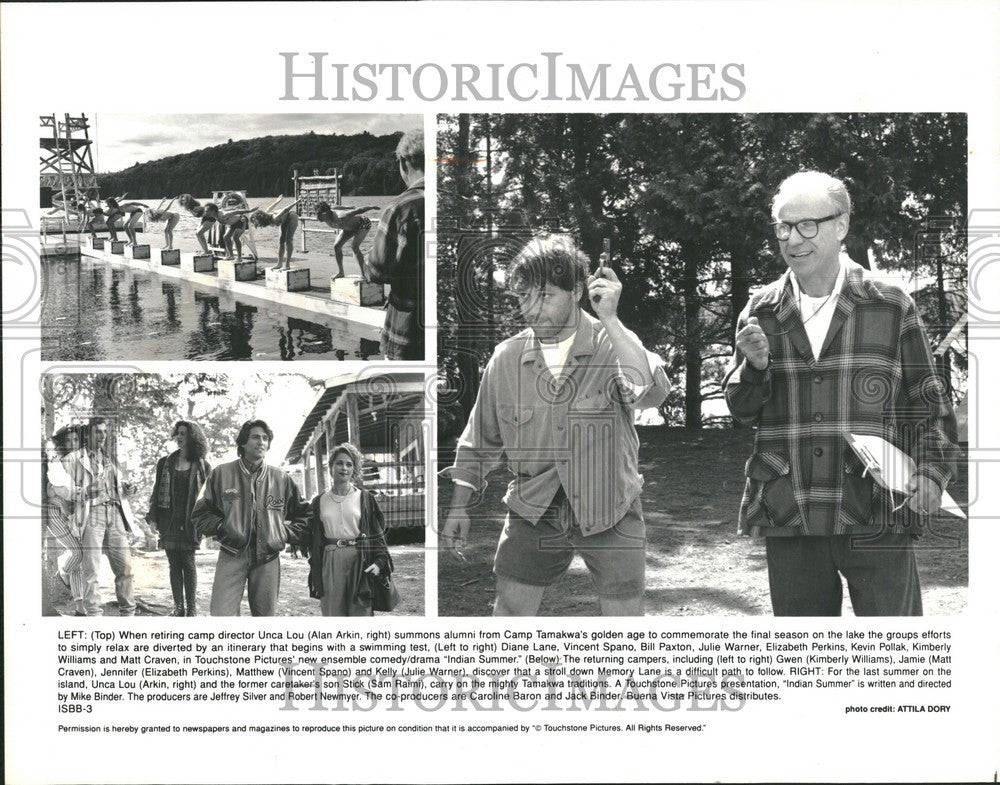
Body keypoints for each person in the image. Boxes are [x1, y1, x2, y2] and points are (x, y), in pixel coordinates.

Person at [724, 171, 958, 617]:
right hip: (789, 508)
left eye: (807, 225)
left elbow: (927, 405)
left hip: (876, 507)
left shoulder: (890, 303)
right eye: (783, 227)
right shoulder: (761, 309)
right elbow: (742, 411)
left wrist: (931, 473)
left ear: (841, 226)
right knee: (806, 664)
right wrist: (754, 368)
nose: (793, 239)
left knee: (896, 661)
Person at [440, 236, 670, 616]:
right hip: (533, 505)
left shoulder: (612, 343)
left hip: (610, 502)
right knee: (510, 613)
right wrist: (459, 508)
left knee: (625, 617)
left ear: (578, 290)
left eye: (544, 296)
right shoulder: (507, 358)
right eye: (523, 297)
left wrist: (610, 318)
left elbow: (650, 388)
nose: (531, 309)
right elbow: (479, 440)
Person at [191, 419, 309, 616]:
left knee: (265, 620)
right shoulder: (221, 474)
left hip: (268, 558)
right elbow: (200, 514)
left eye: (265, 438)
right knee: (221, 615)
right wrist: (222, 527)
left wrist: (284, 533)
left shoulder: (281, 478)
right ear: (243, 443)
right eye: (255, 437)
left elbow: (305, 514)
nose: (261, 442)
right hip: (231, 555)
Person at [304, 443, 391, 616]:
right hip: (330, 560)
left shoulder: (365, 499)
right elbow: (308, 534)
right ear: (331, 467)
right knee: (332, 613)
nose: (344, 468)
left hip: (360, 560)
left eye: (349, 464)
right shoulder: (319, 501)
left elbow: (377, 534)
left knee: (361, 613)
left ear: (354, 470)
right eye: (339, 463)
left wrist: (379, 562)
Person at [65, 417, 138, 616]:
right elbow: (61, 489)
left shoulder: (109, 458)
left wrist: (128, 489)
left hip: (115, 513)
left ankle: (128, 613)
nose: (103, 436)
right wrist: (85, 491)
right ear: (87, 434)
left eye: (105, 432)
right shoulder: (72, 459)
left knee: (125, 567)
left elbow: (119, 488)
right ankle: (94, 614)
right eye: (98, 432)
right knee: (92, 567)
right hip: (93, 513)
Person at [367, 129, 425, 360]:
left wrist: (364, 254)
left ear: (403, 162)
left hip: (407, 334)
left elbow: (377, 271)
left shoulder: (402, 208)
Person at [147, 421, 212, 616]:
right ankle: (178, 608)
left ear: (193, 437)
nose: (180, 437)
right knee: (174, 564)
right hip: (169, 521)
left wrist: (207, 523)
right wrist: (153, 518)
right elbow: (156, 490)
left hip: (190, 521)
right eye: (178, 433)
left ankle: (191, 609)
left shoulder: (203, 466)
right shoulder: (165, 462)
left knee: (188, 563)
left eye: (184, 433)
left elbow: (209, 497)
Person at [45, 425, 86, 616]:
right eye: (68, 441)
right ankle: (62, 571)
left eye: (75, 440)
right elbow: (53, 491)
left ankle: (80, 606)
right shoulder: (57, 462)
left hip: (72, 512)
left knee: (77, 554)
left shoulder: (81, 462)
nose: (72, 444)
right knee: (77, 553)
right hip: (56, 511)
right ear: (61, 443)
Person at [313, 201, 380, 279]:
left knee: (354, 246)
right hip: (348, 228)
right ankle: (341, 272)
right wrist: (348, 207)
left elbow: (358, 210)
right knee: (336, 246)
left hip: (363, 223)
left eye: (318, 215)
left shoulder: (341, 216)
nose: (317, 218)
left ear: (325, 214)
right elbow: (336, 207)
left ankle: (364, 275)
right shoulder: (329, 211)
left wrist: (372, 207)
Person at [250, 199, 299, 270]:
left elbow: (285, 209)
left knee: (288, 241)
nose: (259, 224)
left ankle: (287, 265)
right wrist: (277, 201)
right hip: (284, 220)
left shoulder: (275, 218)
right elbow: (271, 207)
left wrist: (296, 202)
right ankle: (279, 264)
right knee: (281, 241)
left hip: (291, 216)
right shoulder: (266, 215)